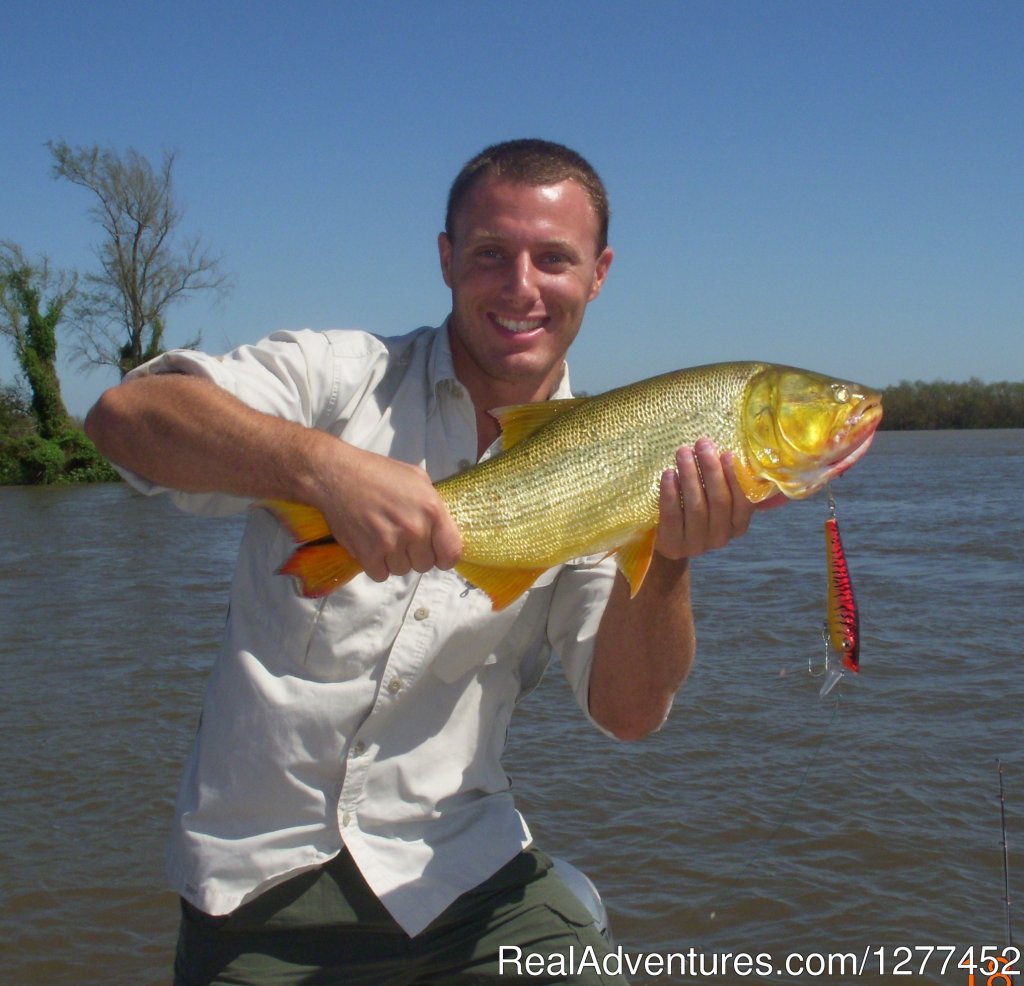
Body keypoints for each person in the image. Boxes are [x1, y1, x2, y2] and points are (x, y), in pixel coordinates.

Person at [85, 139, 772, 985]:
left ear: (599, 274)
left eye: (554, 259)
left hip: (467, 881)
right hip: (254, 891)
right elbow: (125, 418)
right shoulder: (339, 376)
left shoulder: (619, 460)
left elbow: (628, 713)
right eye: (491, 254)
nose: (522, 286)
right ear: (446, 259)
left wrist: (666, 560)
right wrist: (321, 469)